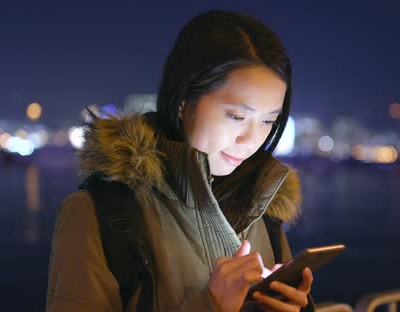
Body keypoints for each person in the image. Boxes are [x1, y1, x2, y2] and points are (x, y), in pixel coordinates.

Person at [47, 10, 314, 311]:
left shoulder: (266, 208)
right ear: (184, 101)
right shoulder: (100, 212)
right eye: (237, 116)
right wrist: (210, 304)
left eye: (268, 121)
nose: (251, 140)